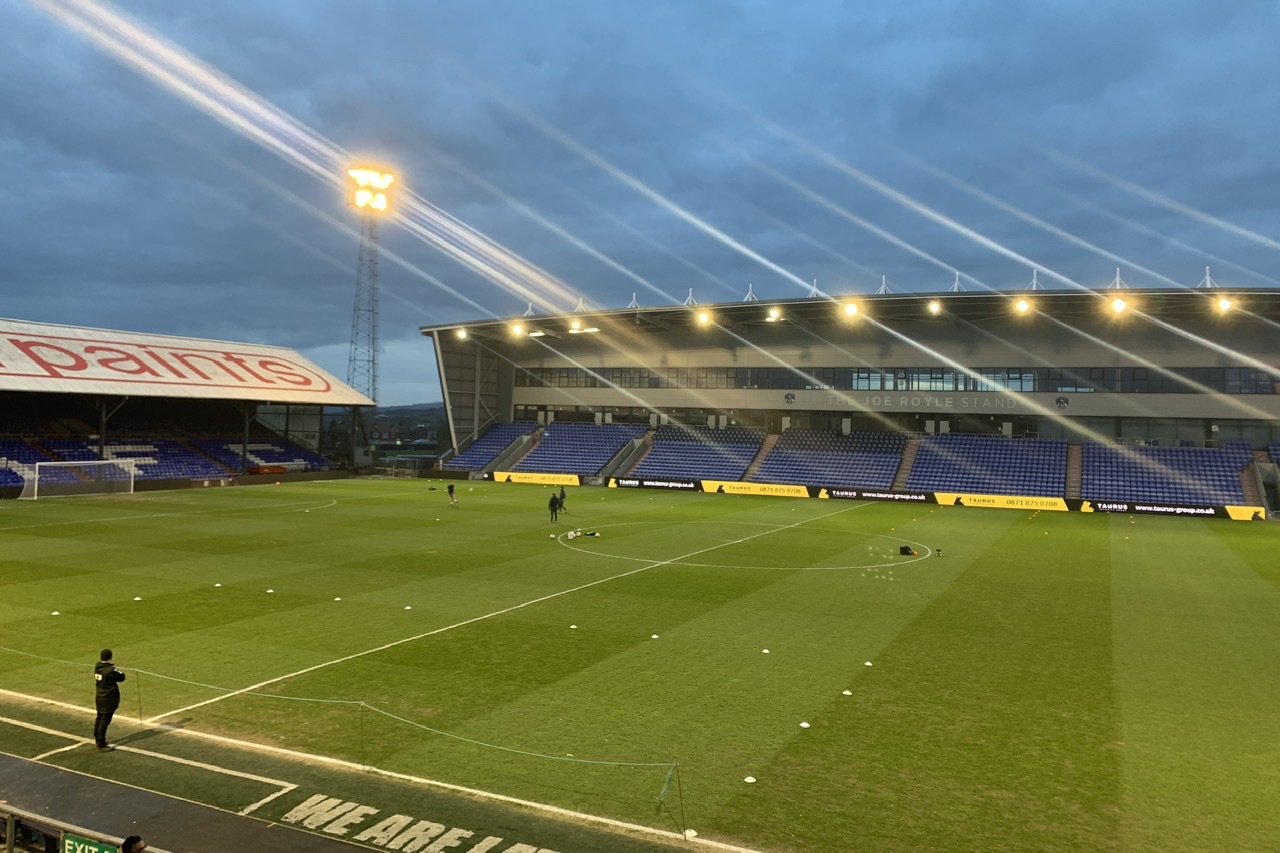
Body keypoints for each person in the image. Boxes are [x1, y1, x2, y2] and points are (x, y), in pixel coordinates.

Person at [94, 648, 126, 752]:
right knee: (104, 721)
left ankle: (97, 738)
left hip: (99, 696)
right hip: (108, 698)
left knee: (99, 718)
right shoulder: (109, 670)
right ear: (110, 657)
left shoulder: (97, 666)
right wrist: (113, 667)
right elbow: (122, 677)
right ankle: (101, 743)